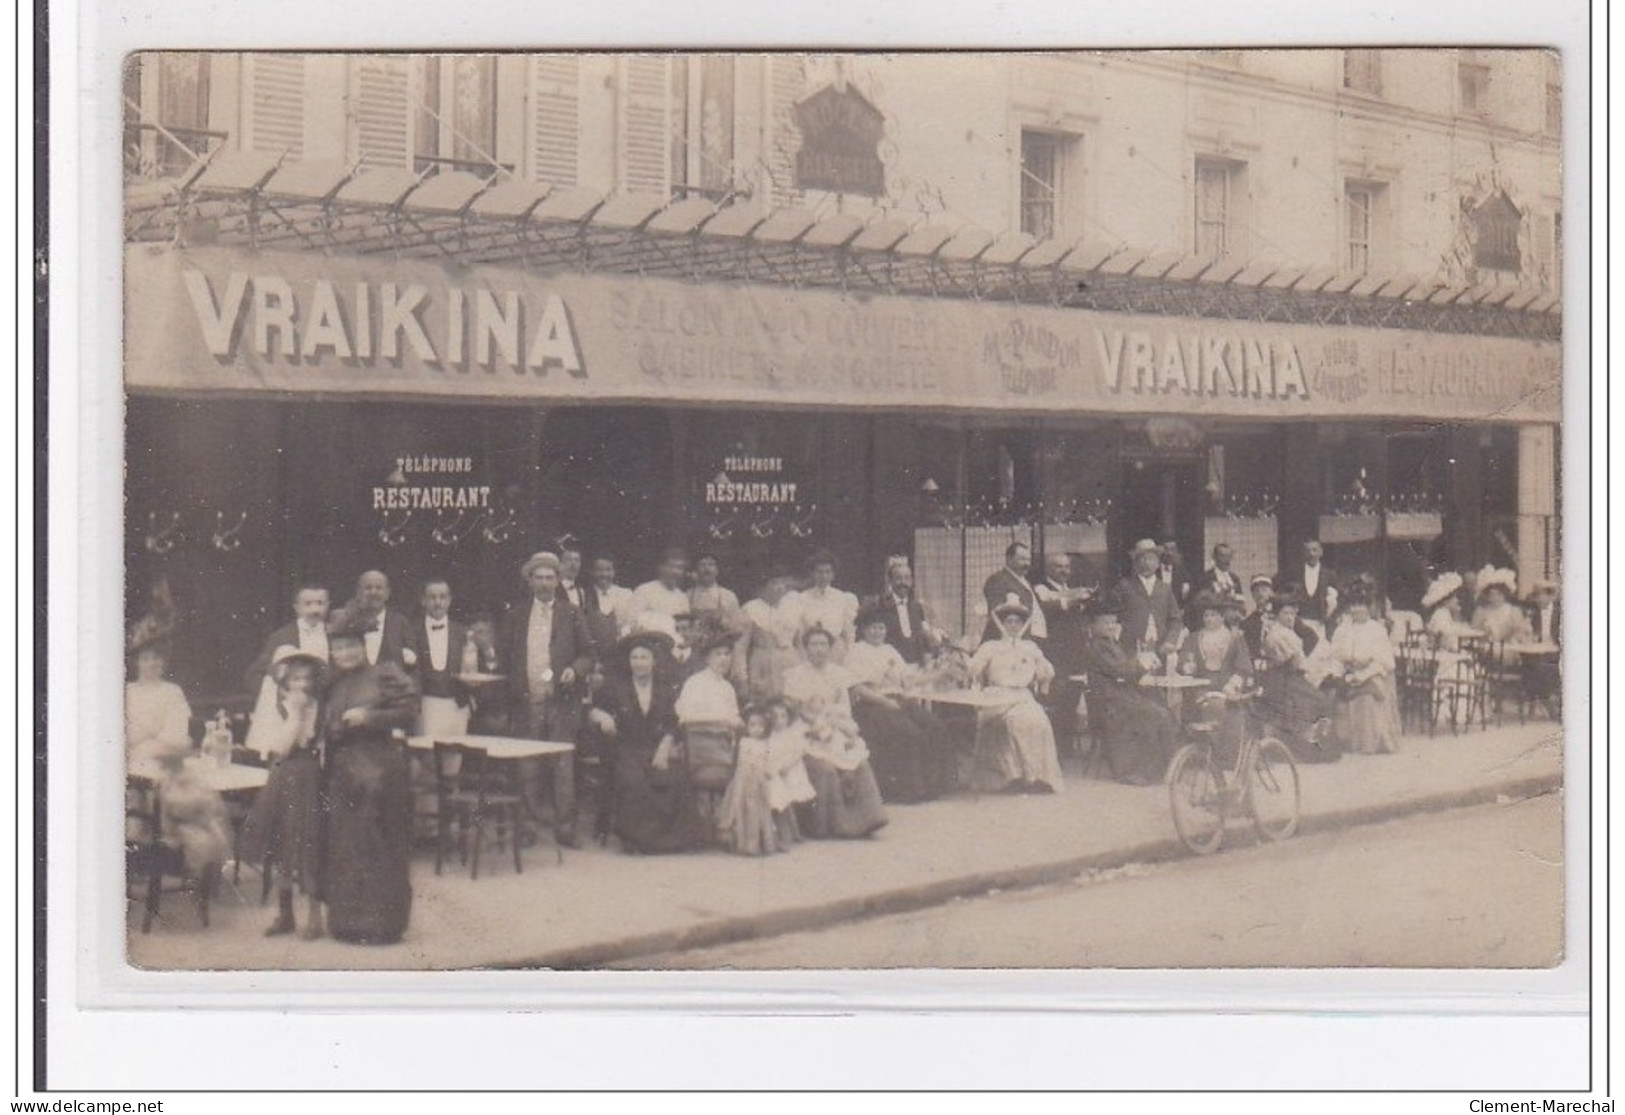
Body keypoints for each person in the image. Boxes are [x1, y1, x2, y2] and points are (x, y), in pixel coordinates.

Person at [318, 609, 420, 944]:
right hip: (343, 771)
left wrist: (370, 717)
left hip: (381, 769)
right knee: (347, 845)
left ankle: (383, 925)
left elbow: (409, 712)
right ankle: (347, 923)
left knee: (379, 843)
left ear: (363, 646)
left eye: (351, 647)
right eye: (339, 649)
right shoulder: (332, 683)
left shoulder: (384, 673)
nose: (345, 654)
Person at [499, 551, 595, 849]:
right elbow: (505, 657)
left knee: (562, 766)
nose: (544, 583)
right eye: (538, 578)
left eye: (550, 577)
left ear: (557, 580)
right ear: (530, 581)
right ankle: (527, 827)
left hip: (561, 701)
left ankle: (565, 828)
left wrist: (573, 670)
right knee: (527, 766)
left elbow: (588, 655)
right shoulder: (516, 614)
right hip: (528, 701)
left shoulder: (572, 613)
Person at [586, 630, 706, 855]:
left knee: (677, 778)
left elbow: (673, 722)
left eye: (644, 658)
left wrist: (664, 747)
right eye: (635, 658)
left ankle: (674, 839)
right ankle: (639, 840)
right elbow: (592, 710)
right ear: (628, 661)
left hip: (656, 746)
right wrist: (601, 716)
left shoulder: (664, 688)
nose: (639, 663)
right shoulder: (615, 687)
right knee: (634, 781)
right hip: (624, 747)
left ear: (654, 661)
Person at [238, 645, 328, 937]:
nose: (301, 684)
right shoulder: (282, 707)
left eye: (306, 678)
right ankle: (285, 912)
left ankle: (315, 913)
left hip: (312, 776)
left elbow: (321, 743)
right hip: (284, 775)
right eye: (295, 678)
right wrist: (296, 715)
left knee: (311, 842)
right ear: (285, 680)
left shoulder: (320, 706)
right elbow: (283, 746)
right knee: (283, 844)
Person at [782, 627, 888, 837]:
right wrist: (815, 723)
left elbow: (844, 709)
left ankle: (867, 821)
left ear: (830, 648)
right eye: (814, 644)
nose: (819, 649)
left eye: (823, 644)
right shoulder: (794, 675)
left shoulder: (839, 674)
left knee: (861, 763)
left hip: (836, 725)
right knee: (826, 769)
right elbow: (794, 711)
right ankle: (831, 826)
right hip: (807, 729)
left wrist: (841, 728)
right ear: (805, 648)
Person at [847, 605, 956, 802]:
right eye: (872, 628)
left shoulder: (889, 650)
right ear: (863, 630)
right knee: (910, 733)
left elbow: (908, 680)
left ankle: (935, 786)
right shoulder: (855, 651)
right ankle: (910, 791)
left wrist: (941, 673)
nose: (877, 632)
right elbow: (858, 689)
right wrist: (885, 702)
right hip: (873, 705)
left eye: (880, 628)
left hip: (898, 700)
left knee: (935, 726)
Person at [1077, 592, 1181, 786]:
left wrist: (1143, 667)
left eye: (1113, 622)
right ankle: (1136, 770)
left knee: (1161, 707)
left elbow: (1126, 673)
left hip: (1120, 697)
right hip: (1109, 703)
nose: (1110, 626)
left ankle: (1166, 767)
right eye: (1105, 622)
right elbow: (1120, 671)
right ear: (1093, 625)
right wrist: (1142, 665)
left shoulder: (1111, 644)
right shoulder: (1097, 647)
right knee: (1153, 713)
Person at [966, 596, 1064, 793]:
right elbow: (973, 668)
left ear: (1022, 624)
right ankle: (1012, 777)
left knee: (1039, 721)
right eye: (1009, 621)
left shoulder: (1030, 647)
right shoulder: (990, 646)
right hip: (996, 696)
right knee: (1016, 722)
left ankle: (1037, 777)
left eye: (1017, 621)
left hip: (1022, 696)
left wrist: (1044, 671)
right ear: (1001, 623)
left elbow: (1046, 669)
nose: (1013, 625)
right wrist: (966, 653)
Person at [1255, 594, 1339, 763]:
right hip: (1283, 679)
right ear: (1278, 615)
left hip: (1290, 676)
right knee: (1316, 699)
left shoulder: (1286, 632)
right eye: (1286, 613)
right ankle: (1305, 750)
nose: (1290, 617)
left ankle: (1318, 747)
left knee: (1319, 697)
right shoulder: (1277, 634)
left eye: (1293, 614)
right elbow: (1294, 663)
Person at [1177, 591, 1254, 763]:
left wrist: (1233, 683)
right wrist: (1185, 666)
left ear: (1221, 617)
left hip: (1225, 685)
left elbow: (1244, 666)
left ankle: (1223, 757)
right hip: (1199, 686)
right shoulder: (1193, 638)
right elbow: (1182, 661)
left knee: (1223, 708)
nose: (1209, 619)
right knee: (1191, 707)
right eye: (1206, 615)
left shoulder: (1234, 638)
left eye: (1213, 615)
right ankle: (1196, 756)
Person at [1326, 583, 1400, 755]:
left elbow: (1384, 662)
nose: (1356, 609)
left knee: (1367, 697)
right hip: (1347, 673)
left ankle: (1367, 743)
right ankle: (1342, 741)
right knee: (1333, 693)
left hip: (1371, 674)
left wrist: (1364, 675)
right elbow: (1336, 657)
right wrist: (1337, 674)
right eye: (1353, 605)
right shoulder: (1342, 630)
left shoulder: (1377, 630)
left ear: (1369, 607)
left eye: (1360, 605)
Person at [1033, 551, 1092, 749]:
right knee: (1056, 699)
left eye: (1067, 567)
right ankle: (1054, 748)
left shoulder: (1071, 589)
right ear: (1049, 568)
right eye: (1059, 566)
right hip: (1056, 653)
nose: (1064, 571)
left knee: (1072, 699)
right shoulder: (1041, 588)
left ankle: (1065, 747)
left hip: (1075, 653)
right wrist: (1074, 599)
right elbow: (1048, 608)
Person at [407, 577, 473, 739]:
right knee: (427, 756)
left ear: (449, 600)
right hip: (426, 705)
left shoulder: (462, 632)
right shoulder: (411, 631)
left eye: (443, 597)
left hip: (457, 705)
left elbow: (471, 669)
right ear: (423, 600)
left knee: (454, 756)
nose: (438, 602)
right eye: (432, 597)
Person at [243, 582, 332, 696]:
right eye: (307, 604)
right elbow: (254, 675)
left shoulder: (335, 633)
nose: (314, 610)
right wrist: (279, 694)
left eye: (320, 603)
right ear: (296, 607)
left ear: (328, 605)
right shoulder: (281, 636)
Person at [715, 705, 782, 855]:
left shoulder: (766, 744)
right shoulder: (744, 742)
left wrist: (768, 772)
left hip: (759, 780)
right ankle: (743, 842)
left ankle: (759, 843)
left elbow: (768, 762)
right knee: (741, 807)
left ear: (765, 727)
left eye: (761, 725)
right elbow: (740, 761)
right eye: (753, 725)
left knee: (759, 809)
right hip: (744, 779)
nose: (757, 729)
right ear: (747, 726)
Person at [865, 555, 945, 664]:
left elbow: (922, 636)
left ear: (912, 581)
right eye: (898, 578)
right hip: (889, 665)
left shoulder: (917, 607)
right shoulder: (880, 605)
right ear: (890, 581)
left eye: (907, 578)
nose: (903, 582)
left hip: (915, 666)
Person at [735, 574, 803, 702]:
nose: (780, 588)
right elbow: (741, 647)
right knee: (764, 702)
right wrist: (742, 678)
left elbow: (800, 644)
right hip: (763, 662)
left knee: (791, 701)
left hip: (790, 660)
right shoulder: (751, 608)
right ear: (764, 586)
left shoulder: (793, 606)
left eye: (783, 584)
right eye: (775, 583)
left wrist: (805, 670)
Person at [126, 636, 192, 766]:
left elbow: (177, 735)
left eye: (156, 658)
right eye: (145, 659)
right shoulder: (127, 692)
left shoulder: (173, 691)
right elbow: (125, 735)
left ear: (163, 662)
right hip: (131, 761)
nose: (151, 663)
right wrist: (154, 733)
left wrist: (145, 739)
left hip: (166, 760)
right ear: (137, 663)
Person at [1115, 539, 1183, 658]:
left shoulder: (1165, 588)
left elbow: (1175, 619)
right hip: (1132, 650)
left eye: (1151, 558)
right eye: (1142, 559)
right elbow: (1115, 616)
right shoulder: (1124, 586)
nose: (1146, 563)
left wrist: (1170, 641)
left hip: (1160, 649)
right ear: (1135, 564)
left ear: (1158, 564)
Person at [764, 698, 815, 847]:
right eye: (775, 717)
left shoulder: (792, 734)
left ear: (789, 717)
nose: (780, 721)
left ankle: (798, 830)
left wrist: (788, 765)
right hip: (778, 771)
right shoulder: (770, 737)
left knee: (796, 798)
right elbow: (769, 754)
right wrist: (776, 768)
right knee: (783, 799)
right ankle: (788, 831)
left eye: (783, 716)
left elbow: (798, 751)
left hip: (793, 770)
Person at [797, 549, 860, 660]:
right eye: (819, 572)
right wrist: (802, 655)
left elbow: (848, 632)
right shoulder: (802, 598)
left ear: (833, 575)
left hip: (836, 651)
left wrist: (850, 655)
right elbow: (800, 631)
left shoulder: (843, 598)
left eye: (827, 572)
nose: (823, 576)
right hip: (810, 651)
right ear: (812, 573)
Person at [981, 541, 1046, 644]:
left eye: (1028, 560)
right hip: (1010, 641)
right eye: (1022, 559)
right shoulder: (998, 580)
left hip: (1031, 639)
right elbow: (997, 613)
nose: (1027, 564)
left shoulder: (1026, 581)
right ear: (1009, 559)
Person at [349, 570, 415, 669]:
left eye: (379, 588)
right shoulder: (349, 623)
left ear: (387, 593)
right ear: (358, 593)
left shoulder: (401, 623)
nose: (373, 592)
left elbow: (414, 669)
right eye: (368, 588)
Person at [1281, 540, 1339, 633]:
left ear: (1321, 552)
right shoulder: (1294, 573)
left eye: (1314, 550)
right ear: (1303, 553)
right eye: (1308, 550)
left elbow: (1336, 600)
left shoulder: (1329, 575)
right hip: (1300, 622)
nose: (1311, 554)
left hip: (1321, 623)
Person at [1522, 579, 1562, 714]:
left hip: (1558, 650)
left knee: (1545, 666)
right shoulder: (1533, 612)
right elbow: (1529, 633)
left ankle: (1548, 699)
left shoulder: (1561, 612)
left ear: (1550, 596)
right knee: (1530, 663)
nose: (1537, 599)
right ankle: (1543, 698)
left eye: (1540, 595)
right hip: (1540, 649)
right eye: (1536, 596)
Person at [630, 548, 693, 631]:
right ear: (661, 568)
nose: (675, 571)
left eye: (679, 568)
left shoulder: (682, 597)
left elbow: (685, 626)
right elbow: (632, 622)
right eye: (671, 566)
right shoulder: (644, 590)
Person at [582, 556, 633, 655]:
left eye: (608, 570)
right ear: (592, 572)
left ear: (614, 572)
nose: (604, 574)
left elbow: (630, 624)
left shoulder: (626, 594)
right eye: (599, 570)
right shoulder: (584, 595)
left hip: (621, 650)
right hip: (593, 652)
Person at [688, 553, 743, 632]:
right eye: (702, 565)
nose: (706, 568)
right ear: (696, 570)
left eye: (711, 564)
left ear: (717, 570)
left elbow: (737, 627)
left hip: (721, 643)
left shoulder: (729, 596)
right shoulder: (687, 595)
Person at [1158, 539, 1194, 605]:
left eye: (1172, 549)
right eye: (1166, 549)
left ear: (1177, 552)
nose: (1168, 553)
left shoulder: (1183, 574)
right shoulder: (1154, 572)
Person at [557, 543, 588, 611]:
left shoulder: (581, 592)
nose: (573, 564)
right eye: (568, 559)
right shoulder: (553, 588)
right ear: (560, 564)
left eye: (577, 560)